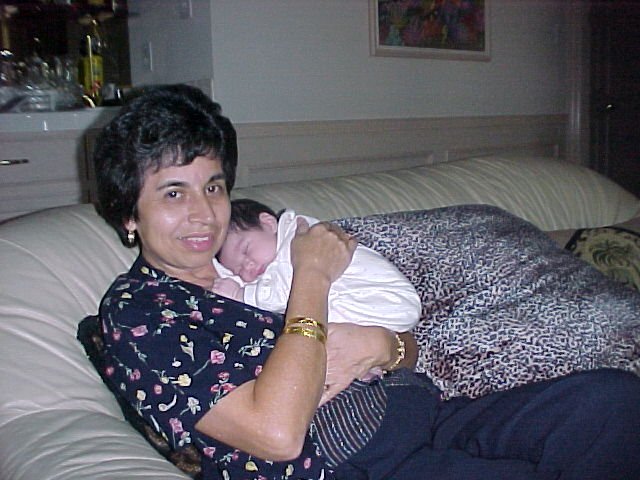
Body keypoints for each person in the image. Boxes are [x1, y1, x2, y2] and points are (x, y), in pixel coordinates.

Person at [93, 83, 640, 480]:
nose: (203, 213)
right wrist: (312, 274)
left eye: (213, 187)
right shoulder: (140, 311)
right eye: (173, 193)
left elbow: (407, 349)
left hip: (423, 411)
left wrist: (383, 344)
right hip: (352, 461)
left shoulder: (247, 258)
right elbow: (277, 435)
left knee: (612, 404)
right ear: (127, 214)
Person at [212, 199, 422, 378]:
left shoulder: (296, 241)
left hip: (386, 299)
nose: (248, 266)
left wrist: (241, 294)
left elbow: (283, 294)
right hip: (381, 317)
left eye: (246, 250)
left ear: (268, 223)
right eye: (238, 269)